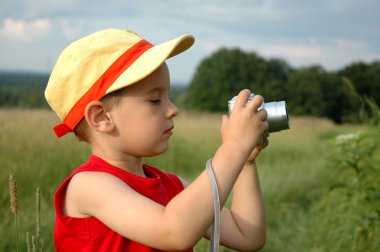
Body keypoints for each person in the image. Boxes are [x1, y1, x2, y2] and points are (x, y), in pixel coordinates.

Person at [45, 28, 268, 252]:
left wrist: (245, 161)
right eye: (154, 100)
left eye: (167, 96)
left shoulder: (174, 188)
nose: (173, 109)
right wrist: (233, 148)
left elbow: (247, 235)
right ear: (102, 117)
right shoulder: (88, 185)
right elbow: (173, 232)